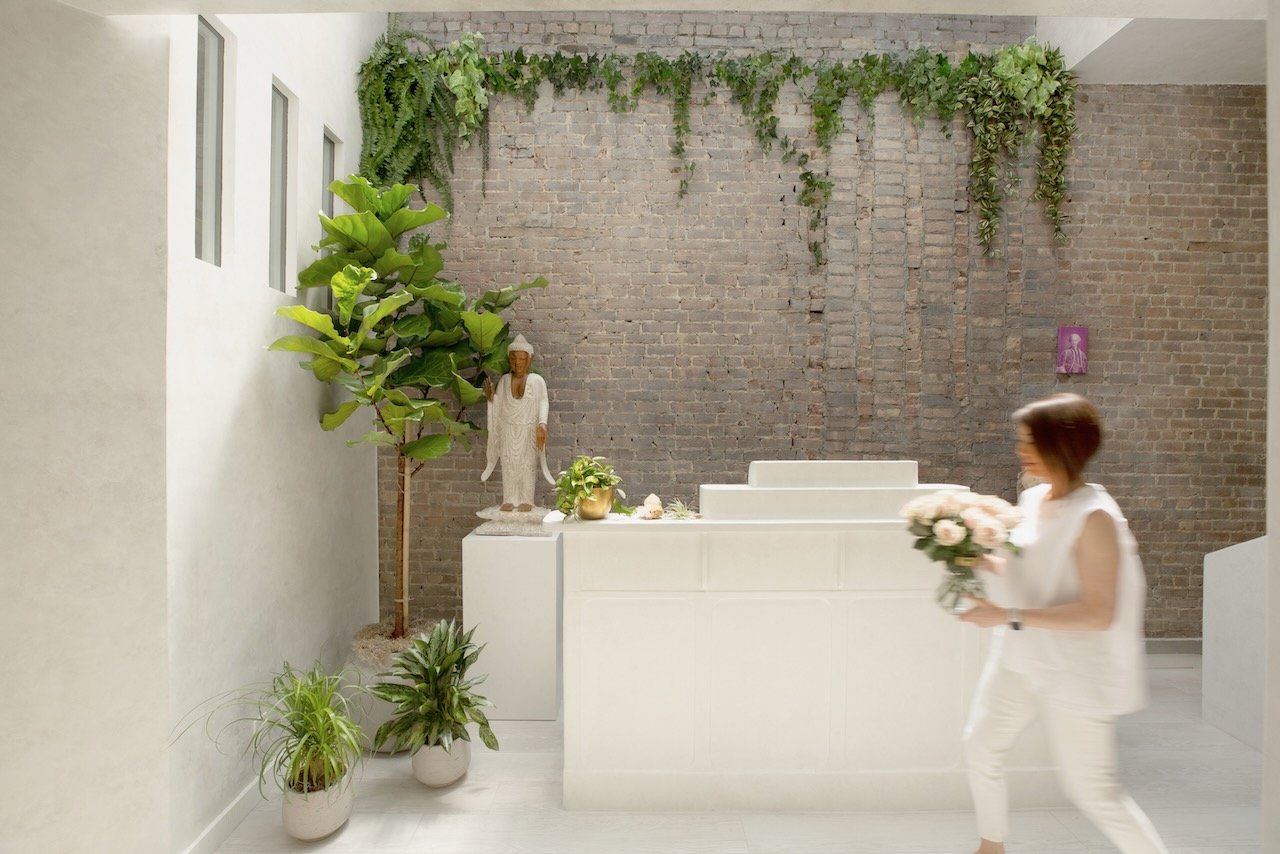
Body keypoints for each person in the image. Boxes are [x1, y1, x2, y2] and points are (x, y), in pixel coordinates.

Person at [959, 393, 1168, 854]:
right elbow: (1031, 570)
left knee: (1095, 795)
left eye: (1030, 441)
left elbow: (1098, 613)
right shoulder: (1033, 499)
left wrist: (1006, 615)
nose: (1021, 450)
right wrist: (972, 558)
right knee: (981, 745)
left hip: (1076, 669)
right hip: (1022, 654)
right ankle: (991, 848)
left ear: (1062, 445)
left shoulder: (1095, 518)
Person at [481, 334, 553, 512]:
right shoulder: (505, 381)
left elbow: (544, 401)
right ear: (509, 360)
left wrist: (542, 424)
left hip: (529, 429)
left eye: (522, 359)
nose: (518, 363)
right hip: (508, 428)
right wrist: (491, 398)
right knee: (509, 463)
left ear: (529, 360)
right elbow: (498, 406)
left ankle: (527, 500)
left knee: (527, 464)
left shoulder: (537, 381)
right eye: (514, 359)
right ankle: (509, 498)